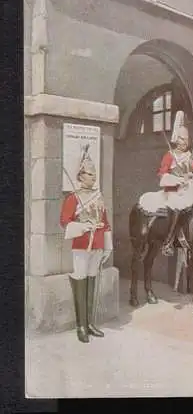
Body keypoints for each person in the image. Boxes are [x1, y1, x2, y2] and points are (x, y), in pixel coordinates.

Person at [60, 145, 113, 343]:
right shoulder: (72, 198)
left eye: (95, 174)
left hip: (97, 244)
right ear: (80, 176)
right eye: (90, 174)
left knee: (93, 281)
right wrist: (82, 226)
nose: (93, 178)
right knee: (80, 280)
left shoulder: (98, 196)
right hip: (82, 244)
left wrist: (107, 246)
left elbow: (105, 222)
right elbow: (64, 221)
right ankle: (80, 325)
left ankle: (90, 323)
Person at [158, 111, 193, 256]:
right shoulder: (169, 156)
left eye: (187, 139)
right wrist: (178, 180)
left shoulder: (190, 157)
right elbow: (162, 177)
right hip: (173, 192)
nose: (185, 142)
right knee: (178, 207)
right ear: (176, 140)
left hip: (189, 190)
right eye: (182, 139)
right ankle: (168, 241)